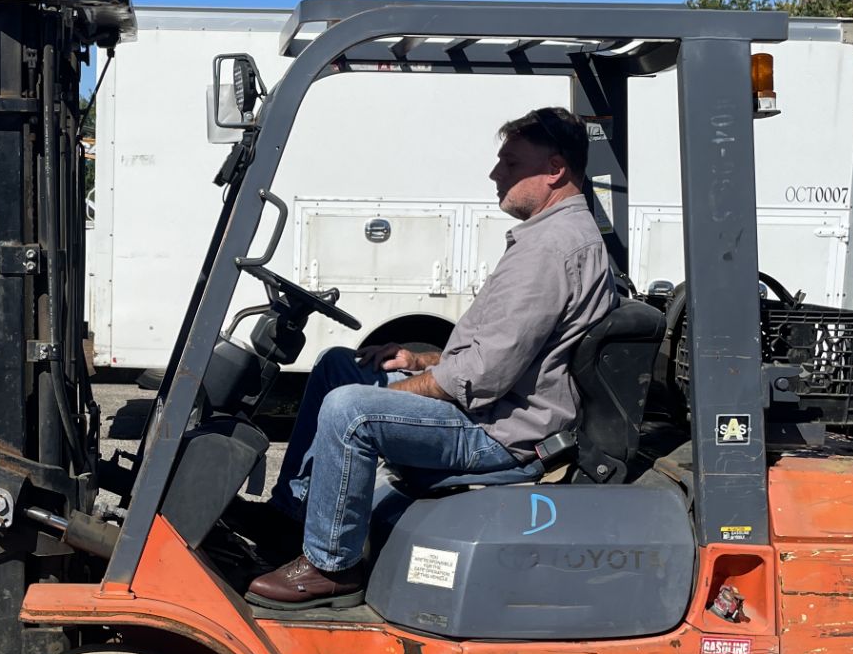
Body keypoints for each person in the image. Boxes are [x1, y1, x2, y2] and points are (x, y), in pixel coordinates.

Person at [246, 107, 621, 609]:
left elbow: (483, 376)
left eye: (510, 164)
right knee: (340, 363)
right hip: (496, 407)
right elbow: (505, 352)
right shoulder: (549, 237)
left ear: (554, 169)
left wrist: (400, 391)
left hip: (502, 436)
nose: (496, 174)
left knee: (349, 409)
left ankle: (332, 565)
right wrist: (419, 361)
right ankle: (294, 516)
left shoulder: (551, 250)